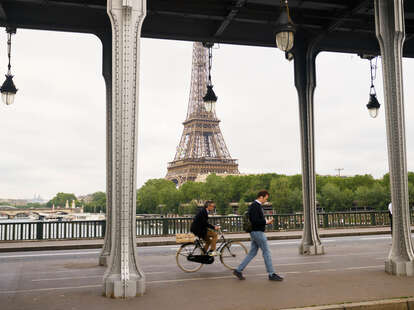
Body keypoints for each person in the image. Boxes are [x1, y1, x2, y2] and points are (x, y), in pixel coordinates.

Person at [233, 190, 284, 281]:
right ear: (261, 197)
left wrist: (266, 222)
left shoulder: (255, 206)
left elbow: (254, 220)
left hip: (254, 231)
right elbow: (255, 221)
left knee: (252, 252)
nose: (266, 201)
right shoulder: (255, 206)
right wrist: (266, 222)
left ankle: (238, 270)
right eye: (265, 198)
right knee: (266, 252)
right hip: (258, 232)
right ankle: (271, 274)